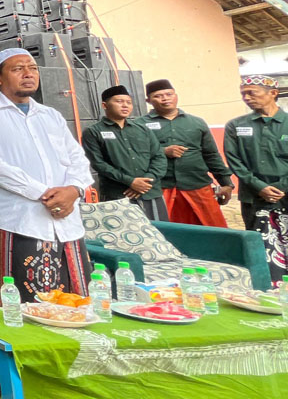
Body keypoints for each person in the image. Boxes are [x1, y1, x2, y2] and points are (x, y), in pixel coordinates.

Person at [0, 48, 94, 303]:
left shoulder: (51, 115)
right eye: (17, 69)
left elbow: (77, 158)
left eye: (32, 68)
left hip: (67, 222)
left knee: (78, 303)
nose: (28, 74)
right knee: (25, 306)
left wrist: (73, 190)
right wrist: (47, 195)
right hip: (21, 221)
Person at [142, 80, 232, 227]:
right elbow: (134, 155)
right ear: (148, 101)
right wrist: (162, 151)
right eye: (158, 96)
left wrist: (226, 183)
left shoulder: (196, 122)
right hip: (160, 188)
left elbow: (211, 155)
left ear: (176, 96)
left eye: (169, 94)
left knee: (213, 229)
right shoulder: (139, 125)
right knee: (162, 231)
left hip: (197, 185)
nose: (165, 98)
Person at [224, 74, 288, 280]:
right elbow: (234, 161)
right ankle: (266, 285)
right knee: (259, 243)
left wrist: (282, 187)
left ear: (273, 93)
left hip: (286, 194)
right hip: (254, 197)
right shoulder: (235, 125)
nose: (247, 98)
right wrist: (259, 187)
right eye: (243, 94)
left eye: (252, 93)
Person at [82, 85, 168, 220]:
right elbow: (98, 164)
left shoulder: (142, 129)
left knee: (159, 230)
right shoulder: (93, 132)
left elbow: (159, 157)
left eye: (128, 102)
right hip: (118, 195)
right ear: (104, 105)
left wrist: (146, 181)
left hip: (150, 192)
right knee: (123, 232)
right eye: (119, 101)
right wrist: (130, 181)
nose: (125, 105)